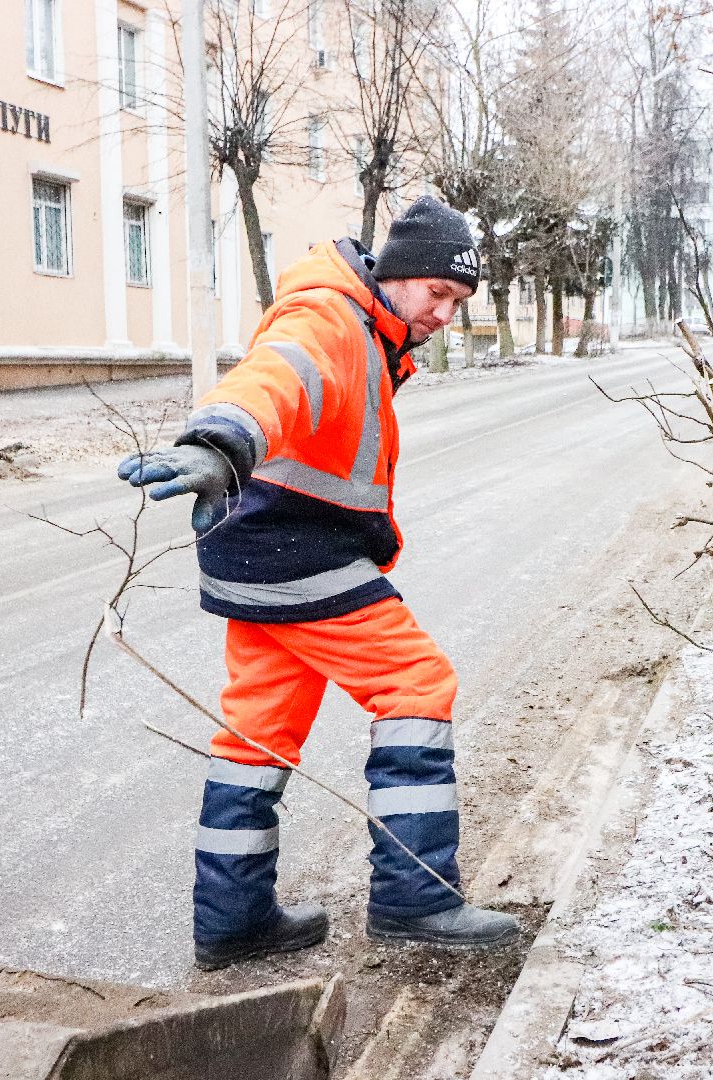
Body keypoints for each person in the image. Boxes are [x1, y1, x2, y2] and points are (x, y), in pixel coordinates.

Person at [118, 196, 519, 971]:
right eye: (438, 292)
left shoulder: (370, 330)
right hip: (295, 551)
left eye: (459, 302)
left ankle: (233, 921)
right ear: (399, 275)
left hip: (261, 550)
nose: (444, 312)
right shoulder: (331, 317)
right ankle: (418, 896)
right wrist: (220, 442)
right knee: (416, 683)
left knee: (256, 729)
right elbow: (278, 376)